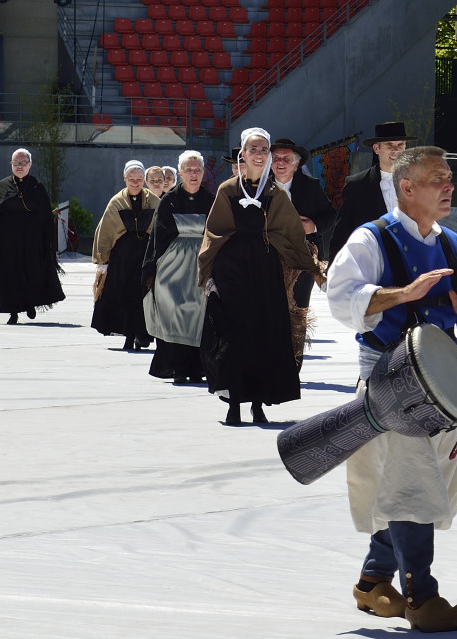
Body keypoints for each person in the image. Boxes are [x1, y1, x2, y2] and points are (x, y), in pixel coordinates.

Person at [326, 146, 457, 633]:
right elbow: (340, 297)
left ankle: (372, 579)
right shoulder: (372, 238)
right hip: (389, 382)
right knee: (411, 483)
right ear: (407, 187)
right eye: (438, 179)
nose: (449, 187)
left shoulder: (452, 245)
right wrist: (403, 294)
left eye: (449, 178)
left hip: (441, 385)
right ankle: (422, 593)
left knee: (419, 484)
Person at [198, 128, 319, 425]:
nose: (259, 154)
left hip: (265, 270)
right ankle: (234, 403)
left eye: (264, 149)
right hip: (232, 269)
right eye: (253, 149)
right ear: (243, 153)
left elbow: (291, 232)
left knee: (263, 333)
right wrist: (208, 274)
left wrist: (312, 266)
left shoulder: (275, 193)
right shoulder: (228, 189)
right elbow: (213, 233)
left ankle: (258, 402)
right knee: (234, 334)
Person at [143, 150, 215, 385]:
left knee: (198, 314)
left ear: (203, 173)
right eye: (189, 170)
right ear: (180, 172)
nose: (193, 174)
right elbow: (159, 235)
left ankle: (197, 368)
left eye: (197, 170)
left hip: (201, 264)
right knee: (173, 311)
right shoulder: (169, 200)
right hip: (172, 264)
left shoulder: (212, 200)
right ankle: (177, 367)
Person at [270, 137, 337, 370]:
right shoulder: (259, 186)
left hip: (303, 258)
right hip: (268, 257)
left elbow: (330, 215)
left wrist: (313, 226)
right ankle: (269, 365)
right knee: (269, 309)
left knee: (297, 310)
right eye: (276, 158)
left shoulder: (310, 186)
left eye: (286, 159)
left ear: (296, 164)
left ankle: (293, 366)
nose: (280, 163)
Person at [0, 149, 66, 324]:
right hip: (8, 243)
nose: (19, 166)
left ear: (30, 165)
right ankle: (12, 312)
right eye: (16, 163)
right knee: (10, 277)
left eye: (23, 163)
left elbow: (46, 216)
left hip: (31, 242)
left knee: (32, 274)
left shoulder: (37, 186)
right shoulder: (2, 186)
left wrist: (47, 239)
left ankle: (30, 304)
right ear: (11, 164)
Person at [92, 160, 161, 351]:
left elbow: (161, 227)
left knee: (144, 294)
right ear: (124, 178)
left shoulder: (154, 201)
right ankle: (128, 335)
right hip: (122, 257)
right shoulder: (116, 202)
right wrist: (103, 259)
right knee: (123, 293)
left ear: (144, 179)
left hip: (146, 254)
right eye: (131, 179)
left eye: (139, 179)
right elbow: (105, 230)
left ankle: (142, 334)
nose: (135, 182)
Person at [326, 121, 416, 262]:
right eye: (389, 145)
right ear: (376, 148)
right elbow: (341, 235)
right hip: (371, 265)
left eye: (400, 145)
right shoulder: (357, 185)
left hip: (412, 264)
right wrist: (333, 270)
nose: (396, 150)